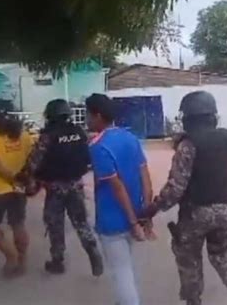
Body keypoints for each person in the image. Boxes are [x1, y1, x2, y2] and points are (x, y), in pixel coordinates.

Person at [140, 91, 227, 305]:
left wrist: (153, 208)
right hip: (225, 209)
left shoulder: (188, 144)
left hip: (196, 214)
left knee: (189, 261)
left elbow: (176, 189)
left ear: (188, 117)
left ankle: (193, 301)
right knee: (221, 257)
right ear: (213, 115)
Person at [20, 99, 103, 276]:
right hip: (76, 184)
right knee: (81, 222)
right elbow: (87, 158)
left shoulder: (48, 136)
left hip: (55, 187)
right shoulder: (79, 132)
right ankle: (92, 251)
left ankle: (57, 261)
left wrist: (25, 177)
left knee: (55, 224)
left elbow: (35, 162)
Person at [85, 94, 154, 305]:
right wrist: (146, 214)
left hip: (113, 219)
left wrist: (134, 222)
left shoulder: (98, 146)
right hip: (134, 212)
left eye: (87, 114)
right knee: (126, 266)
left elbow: (116, 187)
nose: (86, 119)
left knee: (121, 273)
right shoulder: (130, 138)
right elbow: (145, 176)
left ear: (97, 115)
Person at [0, 107, 32, 277]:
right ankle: (22, 260)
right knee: (18, 223)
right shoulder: (23, 135)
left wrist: (12, 177)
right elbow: (31, 159)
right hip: (19, 188)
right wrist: (20, 179)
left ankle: (11, 256)